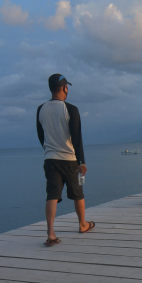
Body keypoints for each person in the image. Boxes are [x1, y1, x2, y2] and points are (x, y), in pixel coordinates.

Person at [37, 73, 94, 246]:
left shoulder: (41, 109)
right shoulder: (71, 109)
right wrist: (81, 161)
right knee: (78, 194)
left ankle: (51, 233)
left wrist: (49, 151)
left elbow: (41, 135)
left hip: (50, 159)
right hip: (69, 159)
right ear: (64, 88)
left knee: (52, 195)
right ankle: (82, 224)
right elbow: (76, 138)